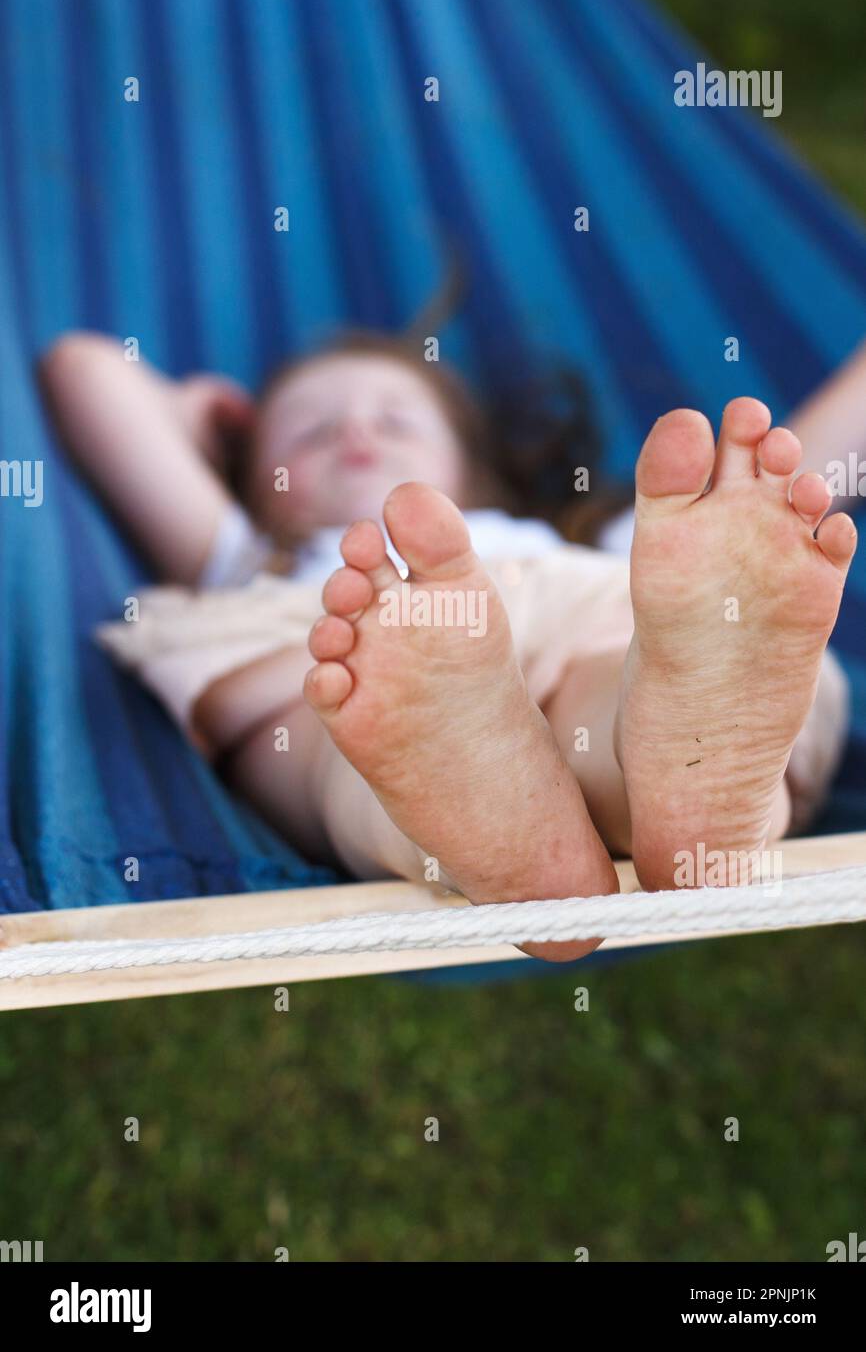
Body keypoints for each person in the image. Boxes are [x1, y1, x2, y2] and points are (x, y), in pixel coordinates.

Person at [37, 331, 858, 959]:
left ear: (467, 466)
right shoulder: (248, 558)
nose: (354, 433)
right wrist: (196, 419)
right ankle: (496, 822)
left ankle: (692, 790)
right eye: (310, 430)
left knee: (640, 668)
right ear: (255, 478)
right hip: (345, 650)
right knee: (342, 732)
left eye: (395, 419)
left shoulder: (586, 537)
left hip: (586, 612)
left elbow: (787, 492)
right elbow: (84, 368)